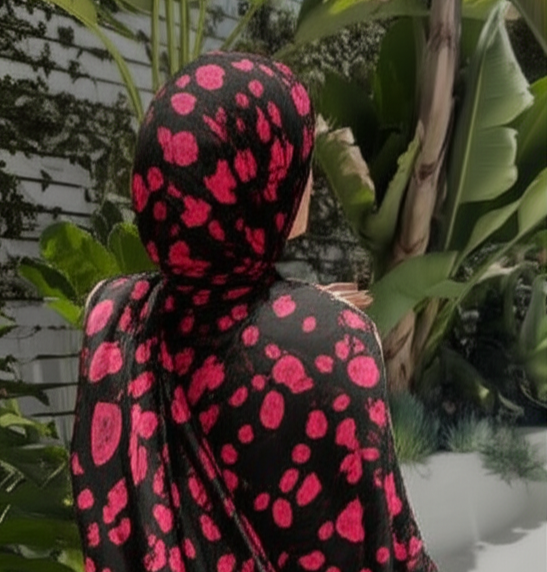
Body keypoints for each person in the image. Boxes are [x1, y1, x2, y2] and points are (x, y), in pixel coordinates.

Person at [70, 52, 438, 572]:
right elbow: (381, 538)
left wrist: (306, 308)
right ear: (252, 179)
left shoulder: (112, 314)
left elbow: (216, 312)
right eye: (297, 161)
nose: (308, 179)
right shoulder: (341, 341)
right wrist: (321, 319)